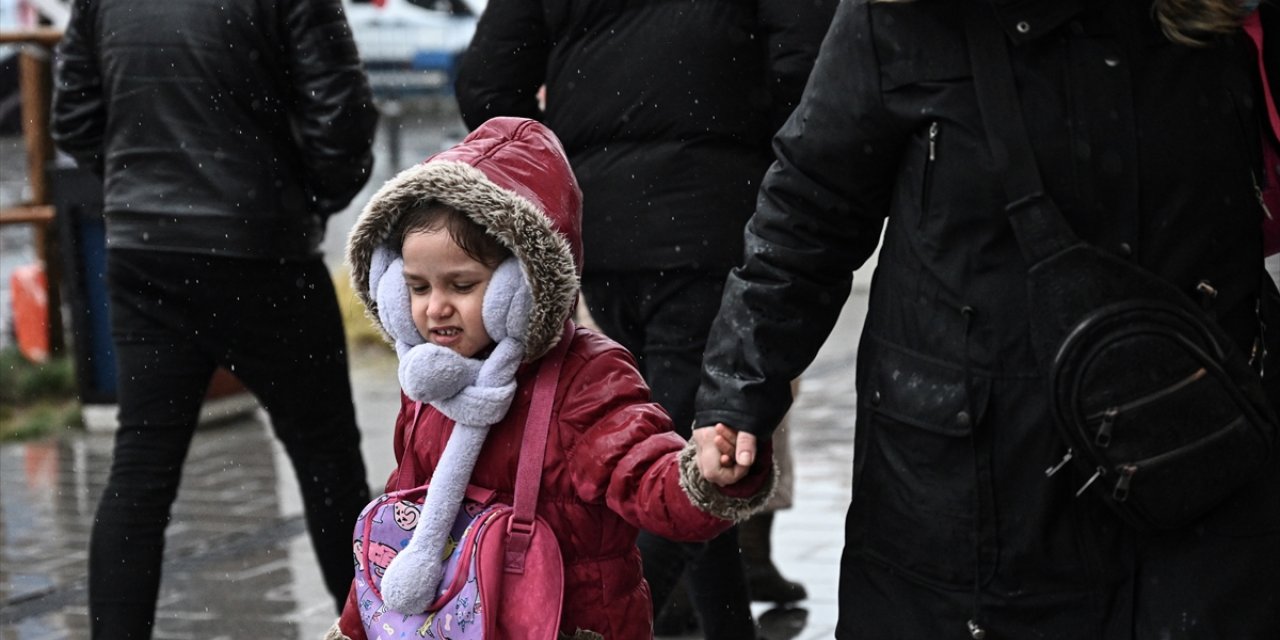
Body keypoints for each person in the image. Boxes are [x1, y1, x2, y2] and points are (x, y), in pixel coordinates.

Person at [691, 1, 1280, 639]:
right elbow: (810, 211)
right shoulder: (902, 21)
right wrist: (739, 392)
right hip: (968, 500)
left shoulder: (1215, 22)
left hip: (1197, 478)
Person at [454, 1, 836, 634]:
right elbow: (809, 80)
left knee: (679, 444)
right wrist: (751, 161)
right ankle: (598, 627)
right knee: (694, 462)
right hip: (716, 230)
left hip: (602, 236)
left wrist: (564, 167)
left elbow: (489, 83)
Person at [326, 116, 775, 640]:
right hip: (455, 622)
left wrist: (705, 475)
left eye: (462, 285)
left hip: (570, 622)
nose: (435, 308)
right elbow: (403, 524)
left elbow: (644, 476)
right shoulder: (429, 379)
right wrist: (359, 626)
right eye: (417, 288)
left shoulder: (585, 379)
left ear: (522, 284)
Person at [50, 1, 378, 637]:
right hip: (264, 251)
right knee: (327, 461)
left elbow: (75, 119)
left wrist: (140, 186)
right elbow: (341, 115)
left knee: (141, 468)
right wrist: (298, 196)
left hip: (147, 252)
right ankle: (370, 626)